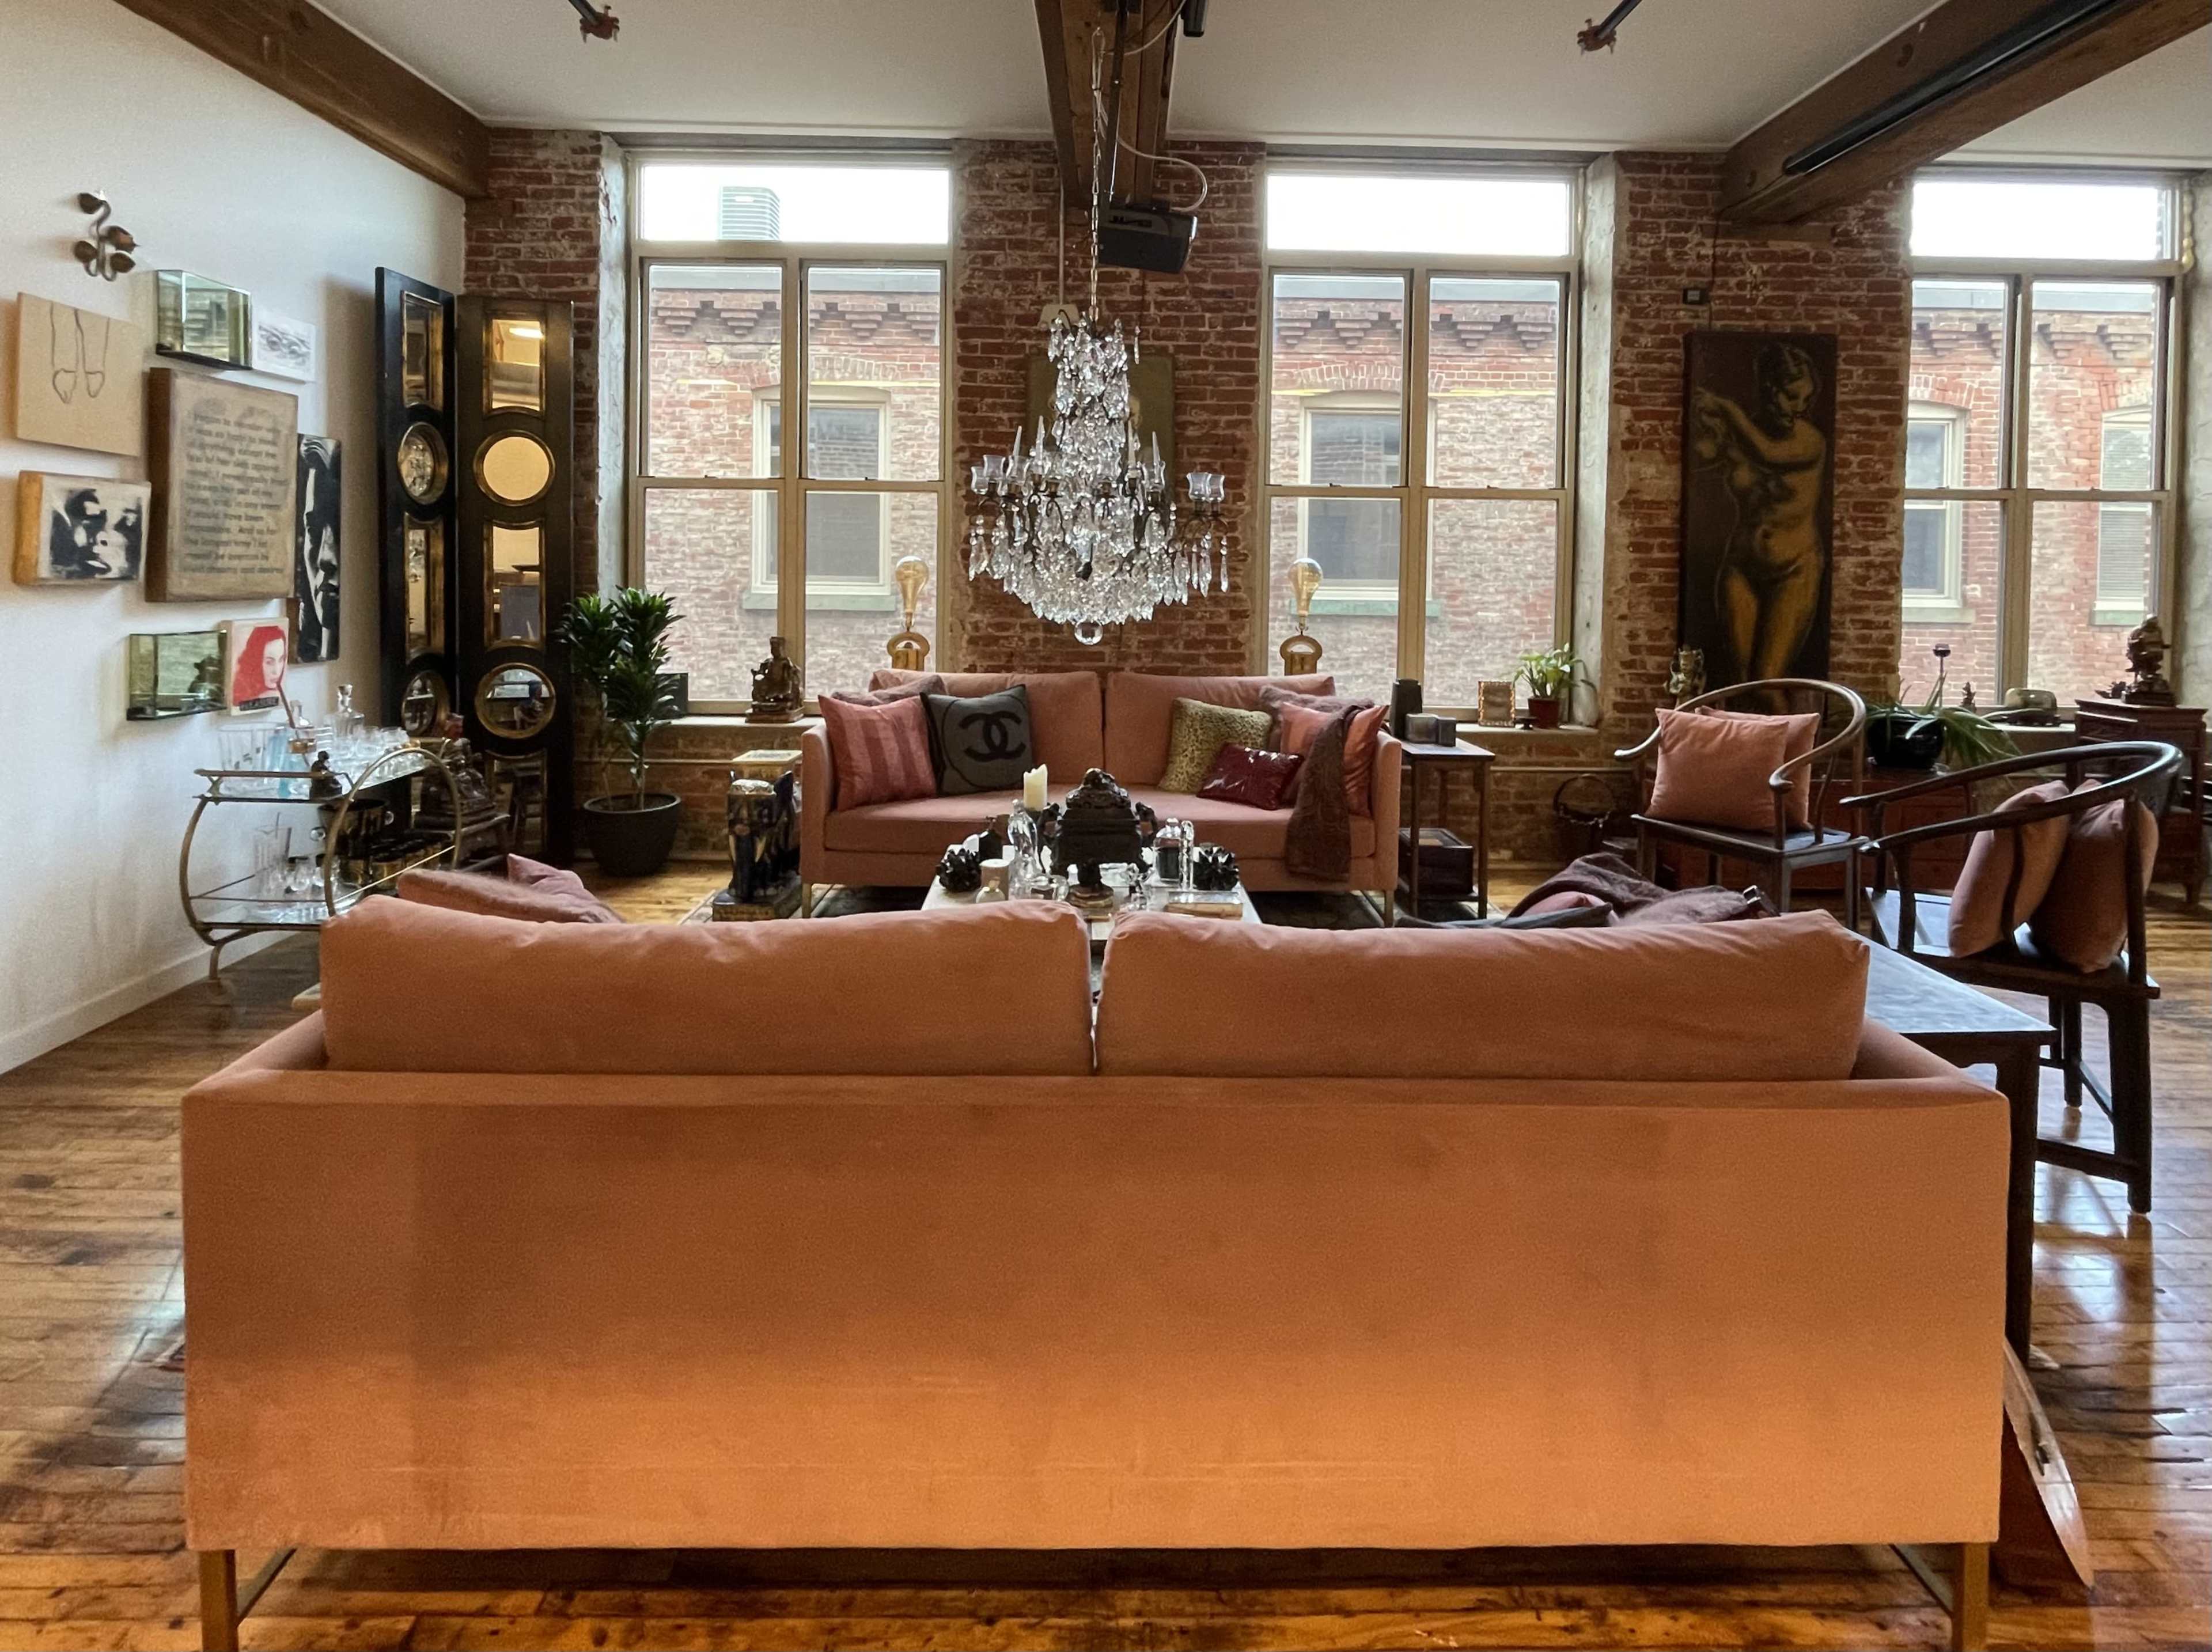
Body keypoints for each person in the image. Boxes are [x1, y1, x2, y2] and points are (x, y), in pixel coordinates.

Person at [1690, 342, 1829, 691]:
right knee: (1736, 684)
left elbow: (1767, 454)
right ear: (1770, 391)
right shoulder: (1738, 435)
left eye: (1806, 399)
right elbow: (1699, 457)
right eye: (1791, 397)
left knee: (1767, 682)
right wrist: (1703, 419)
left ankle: (1800, 748)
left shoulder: (1810, 442)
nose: (1800, 409)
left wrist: (1724, 407)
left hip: (1794, 568)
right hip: (1742, 566)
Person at [229, 624, 288, 710]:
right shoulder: (240, 691)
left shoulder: (276, 693)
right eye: (269, 662)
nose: (277, 671)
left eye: (281, 660)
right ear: (256, 661)